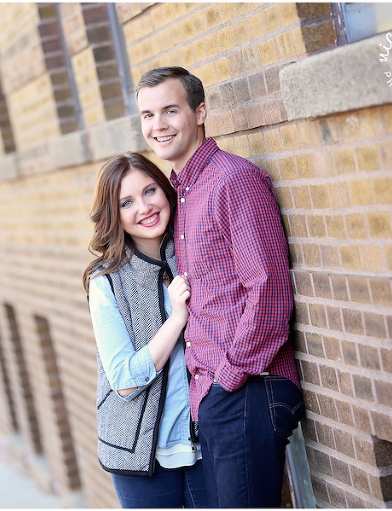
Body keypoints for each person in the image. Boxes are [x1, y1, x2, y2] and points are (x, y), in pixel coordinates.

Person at [135, 66, 305, 508]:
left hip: (246, 386)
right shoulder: (183, 195)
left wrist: (227, 379)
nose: (159, 126)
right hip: (217, 396)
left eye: (170, 110)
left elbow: (268, 292)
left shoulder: (233, 180)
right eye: (148, 116)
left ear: (201, 112)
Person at [83, 152, 208, 508]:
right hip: (140, 455)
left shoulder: (194, 251)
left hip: (206, 442)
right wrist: (176, 321)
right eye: (127, 202)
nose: (144, 207)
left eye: (150, 191)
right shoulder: (105, 281)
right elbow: (123, 379)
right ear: (114, 215)